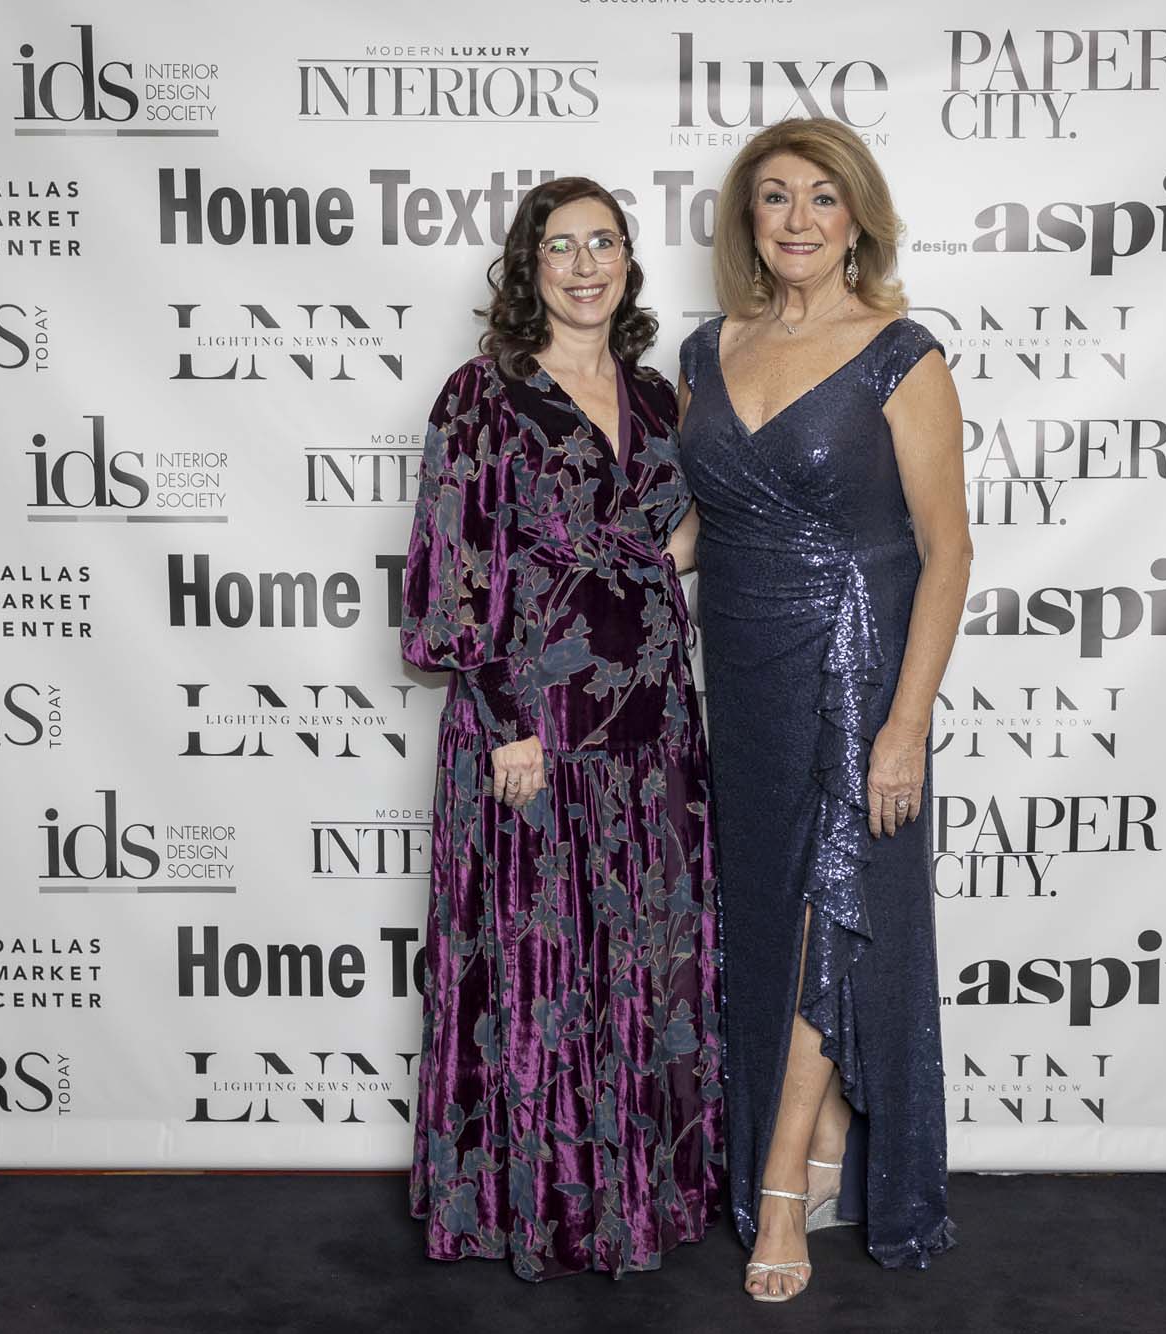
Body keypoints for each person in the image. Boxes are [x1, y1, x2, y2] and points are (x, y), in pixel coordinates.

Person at [401, 177, 722, 1281]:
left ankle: (637, 1194)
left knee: (643, 964)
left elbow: (673, 535)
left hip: (653, 727)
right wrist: (506, 721)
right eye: (561, 247)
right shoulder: (482, 395)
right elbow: (454, 570)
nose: (586, 266)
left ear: (629, 259)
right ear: (527, 267)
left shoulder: (658, 396)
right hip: (534, 731)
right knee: (542, 971)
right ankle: (536, 1205)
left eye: (604, 243)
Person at [674, 118, 972, 1301]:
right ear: (746, 220)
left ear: (857, 220)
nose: (795, 219)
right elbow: (697, 527)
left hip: (853, 668)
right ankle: (824, 1131)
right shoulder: (708, 349)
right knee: (764, 914)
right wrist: (574, 579)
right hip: (741, 674)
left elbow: (946, 552)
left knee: (823, 904)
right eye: (773, 197)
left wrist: (905, 725)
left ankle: (782, 1188)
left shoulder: (901, 355)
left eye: (820, 198)